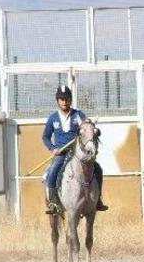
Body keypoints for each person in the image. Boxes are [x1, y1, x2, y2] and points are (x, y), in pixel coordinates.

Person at [42, 86, 106, 215]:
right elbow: (45, 137)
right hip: (61, 154)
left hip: (76, 153)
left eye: (67, 99)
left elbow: (86, 129)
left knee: (98, 169)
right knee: (52, 172)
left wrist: (90, 126)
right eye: (61, 99)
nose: (64, 102)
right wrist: (53, 148)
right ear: (57, 101)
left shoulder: (78, 115)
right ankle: (54, 202)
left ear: (70, 100)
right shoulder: (53, 118)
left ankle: (97, 199)